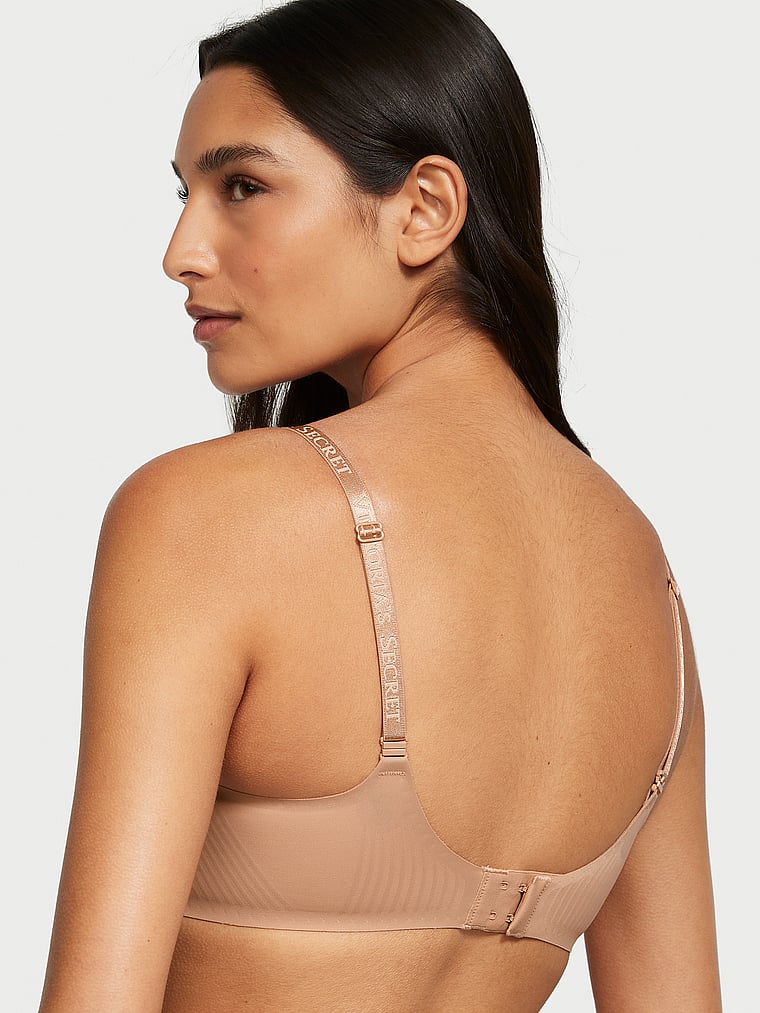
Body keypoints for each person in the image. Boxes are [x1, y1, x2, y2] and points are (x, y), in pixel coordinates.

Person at [39, 0, 722, 1010]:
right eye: (186, 195)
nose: (181, 250)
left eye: (242, 186)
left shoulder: (206, 517)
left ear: (424, 210)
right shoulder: (645, 581)